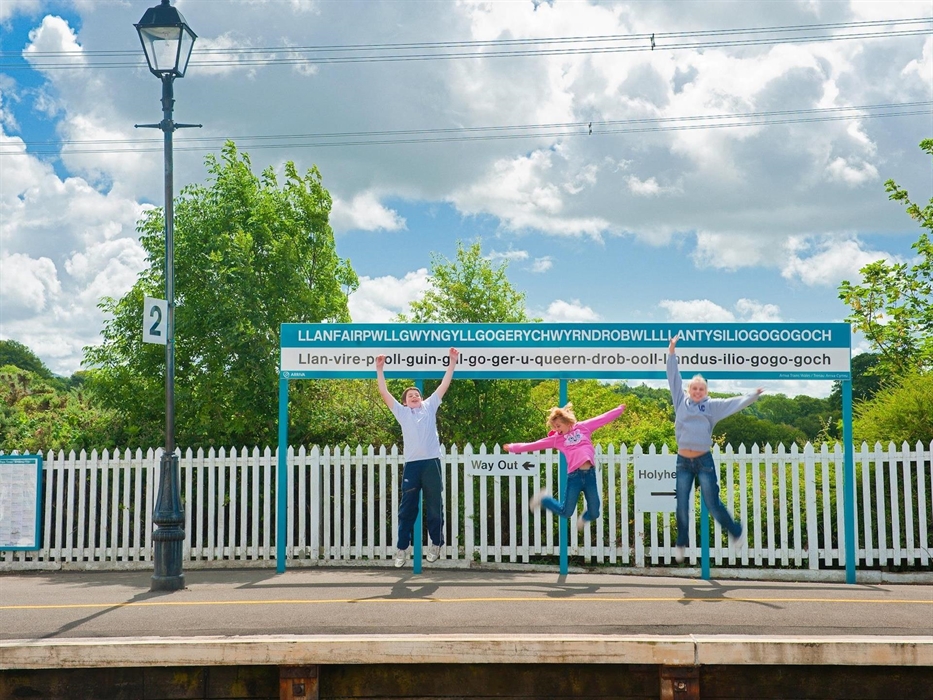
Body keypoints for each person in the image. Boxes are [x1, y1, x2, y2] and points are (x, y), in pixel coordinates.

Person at [667, 335, 764, 563]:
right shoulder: (680, 401)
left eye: (701, 388)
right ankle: (681, 542)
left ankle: (736, 531)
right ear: (689, 389)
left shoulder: (711, 407)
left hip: (703, 461)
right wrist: (671, 352)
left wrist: (753, 396)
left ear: (706, 391)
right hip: (683, 461)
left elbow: (734, 402)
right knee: (681, 503)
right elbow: (673, 377)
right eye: (694, 388)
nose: (697, 391)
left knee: (712, 503)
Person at [376, 347, 458, 568]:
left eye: (417, 395)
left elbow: (444, 385)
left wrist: (452, 361)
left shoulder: (429, 406)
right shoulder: (402, 413)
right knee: (407, 509)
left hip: (432, 462)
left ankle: (436, 544)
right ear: (404, 402)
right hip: (412, 465)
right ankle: (402, 549)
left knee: (434, 507)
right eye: (410, 396)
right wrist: (379, 369)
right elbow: (384, 393)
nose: (414, 396)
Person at [504, 403, 626, 531]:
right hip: (575, 477)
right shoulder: (557, 439)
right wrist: (513, 447)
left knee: (595, 512)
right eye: (554, 427)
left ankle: (584, 518)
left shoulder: (583, 427)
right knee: (566, 512)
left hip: (590, 475)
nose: (557, 429)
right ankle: (544, 499)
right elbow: (535, 445)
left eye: (558, 426)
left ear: (567, 422)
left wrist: (619, 409)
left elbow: (602, 418)